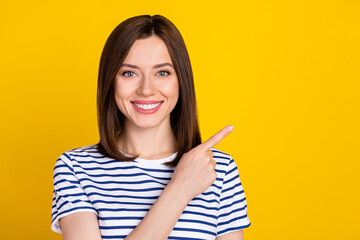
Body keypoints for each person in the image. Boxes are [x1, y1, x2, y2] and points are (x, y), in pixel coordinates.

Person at [51, 15, 250, 240]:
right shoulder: (75, 168)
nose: (146, 89)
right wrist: (180, 189)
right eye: (129, 73)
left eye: (162, 72)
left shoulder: (218, 169)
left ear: (181, 80)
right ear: (110, 80)